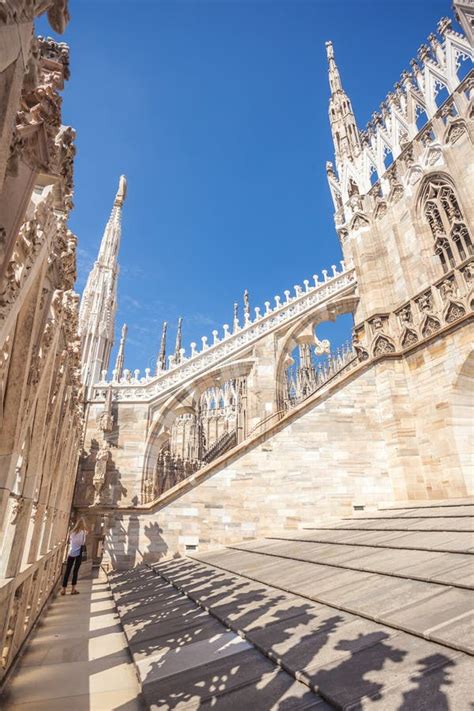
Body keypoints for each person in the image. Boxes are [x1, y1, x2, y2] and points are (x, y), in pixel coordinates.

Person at [61, 518, 87, 595]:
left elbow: (69, 541)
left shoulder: (72, 532)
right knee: (75, 572)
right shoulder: (83, 533)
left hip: (71, 552)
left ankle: (63, 590)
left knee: (67, 571)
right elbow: (82, 543)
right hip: (78, 553)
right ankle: (73, 590)